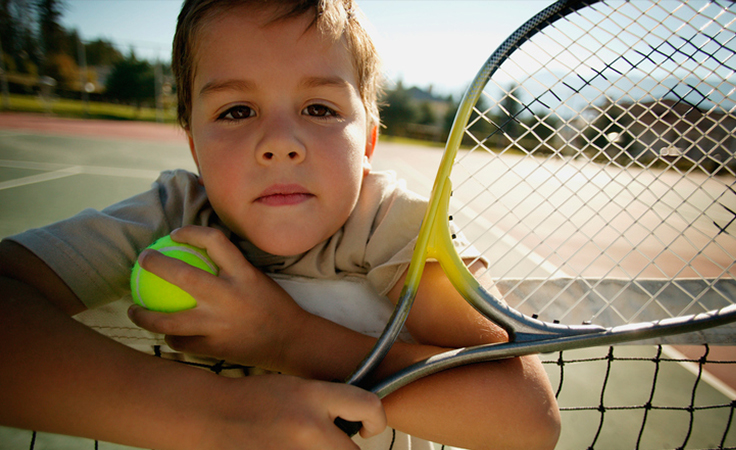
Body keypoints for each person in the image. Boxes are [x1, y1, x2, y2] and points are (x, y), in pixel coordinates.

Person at [0, 1, 561, 449]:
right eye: (236, 111)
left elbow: (527, 417)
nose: (279, 145)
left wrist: (289, 340)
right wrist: (223, 416)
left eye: (319, 109)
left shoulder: (392, 226)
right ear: (194, 146)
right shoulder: (173, 216)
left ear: (367, 141)